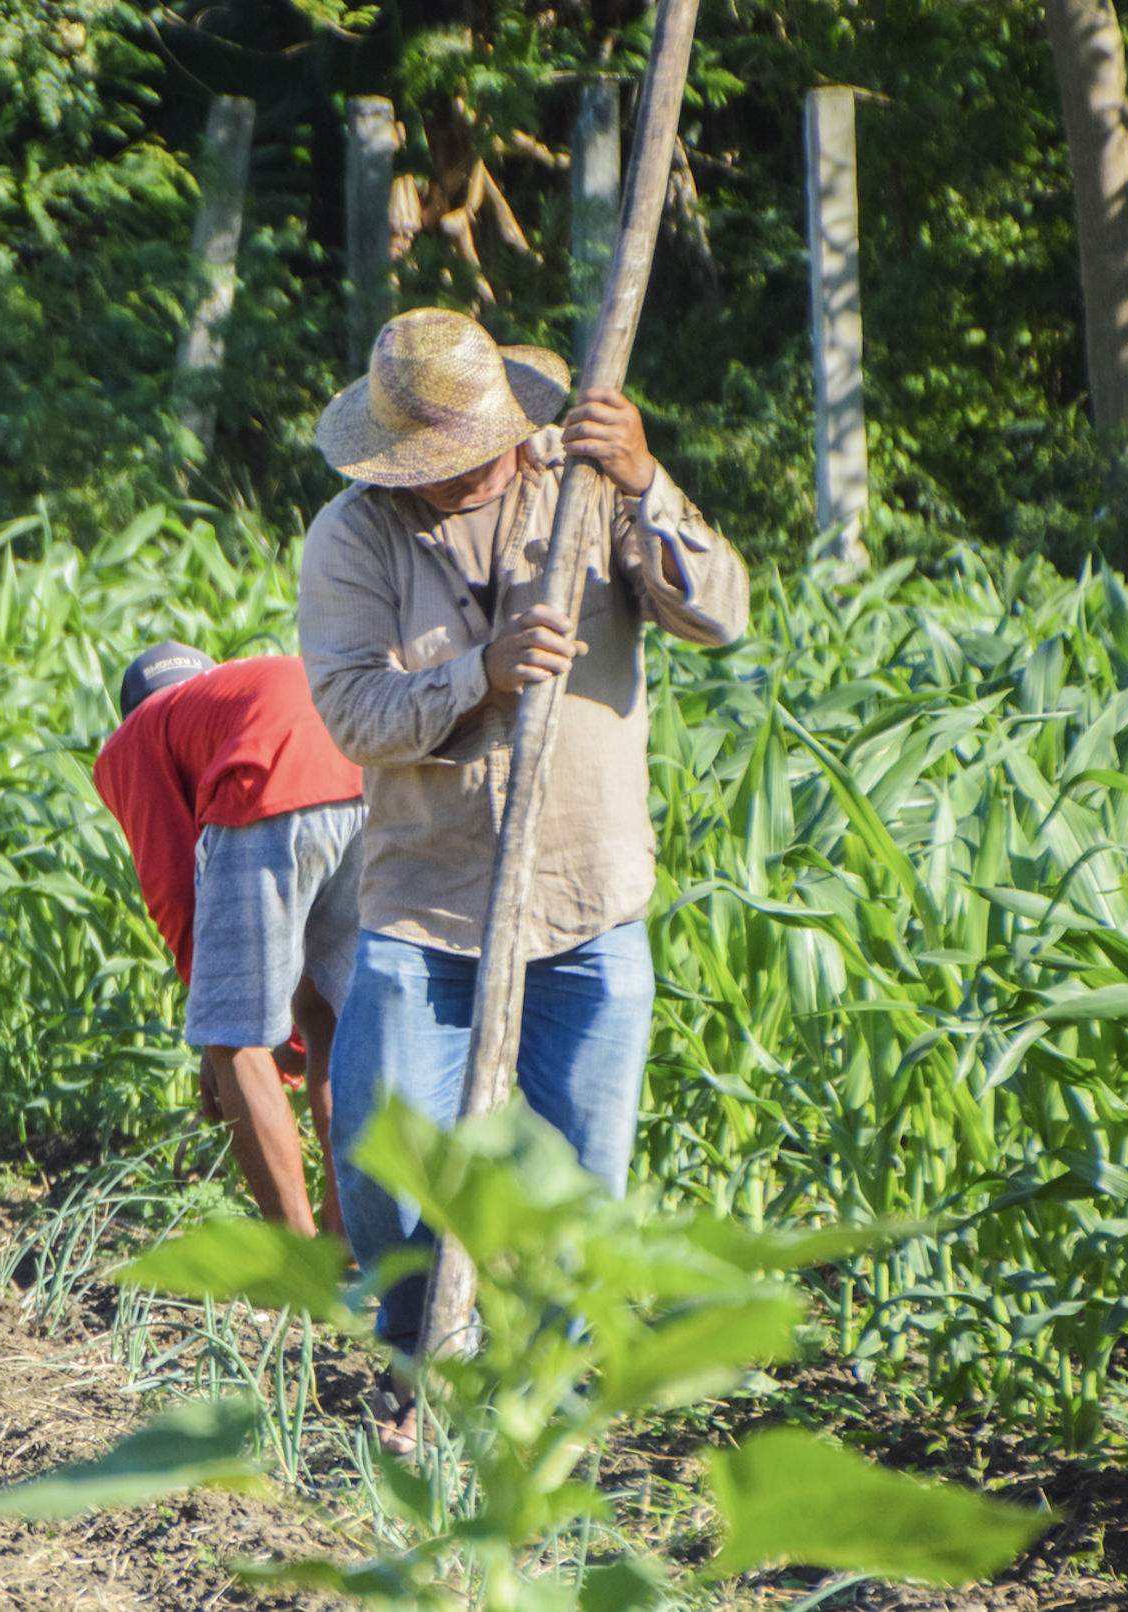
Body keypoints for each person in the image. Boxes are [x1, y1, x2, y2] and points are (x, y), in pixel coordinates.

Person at [297, 308, 750, 1429]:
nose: (445, 480)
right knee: (380, 1144)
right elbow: (353, 710)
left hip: (588, 893)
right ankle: (417, 1366)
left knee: (573, 1175)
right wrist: (479, 679)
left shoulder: (585, 490)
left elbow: (721, 615)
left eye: (462, 457)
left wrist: (647, 484)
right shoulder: (354, 538)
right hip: (428, 897)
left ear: (510, 430)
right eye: (421, 466)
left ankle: (537, 1402)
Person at [92, 645, 366, 1239]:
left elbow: (170, 884)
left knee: (231, 1037)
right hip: (365, 776)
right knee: (325, 1012)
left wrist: (220, 1027)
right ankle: (352, 1238)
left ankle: (302, 1267)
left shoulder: (137, 734)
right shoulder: (232, 691)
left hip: (270, 778)